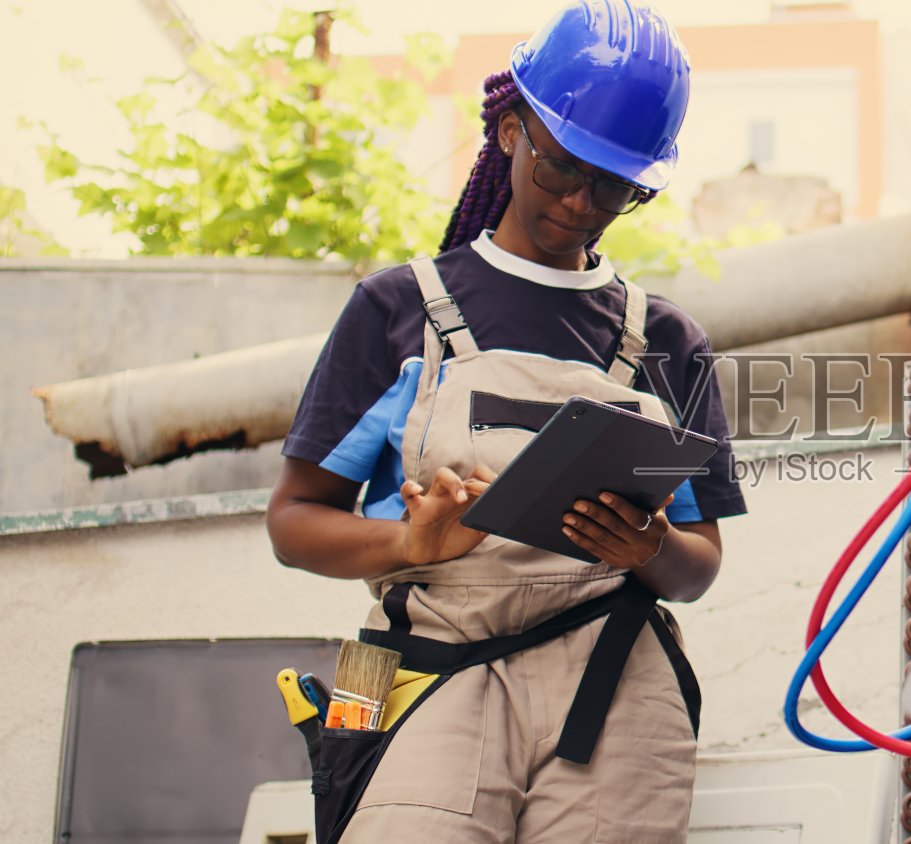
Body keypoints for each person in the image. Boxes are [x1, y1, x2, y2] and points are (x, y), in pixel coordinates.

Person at [265, 1, 745, 840]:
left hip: (613, 683)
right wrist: (408, 545)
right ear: (510, 130)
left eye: (615, 186)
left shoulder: (667, 342)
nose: (579, 203)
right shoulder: (395, 311)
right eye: (562, 168)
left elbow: (698, 572)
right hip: (415, 668)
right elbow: (291, 523)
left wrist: (651, 550)